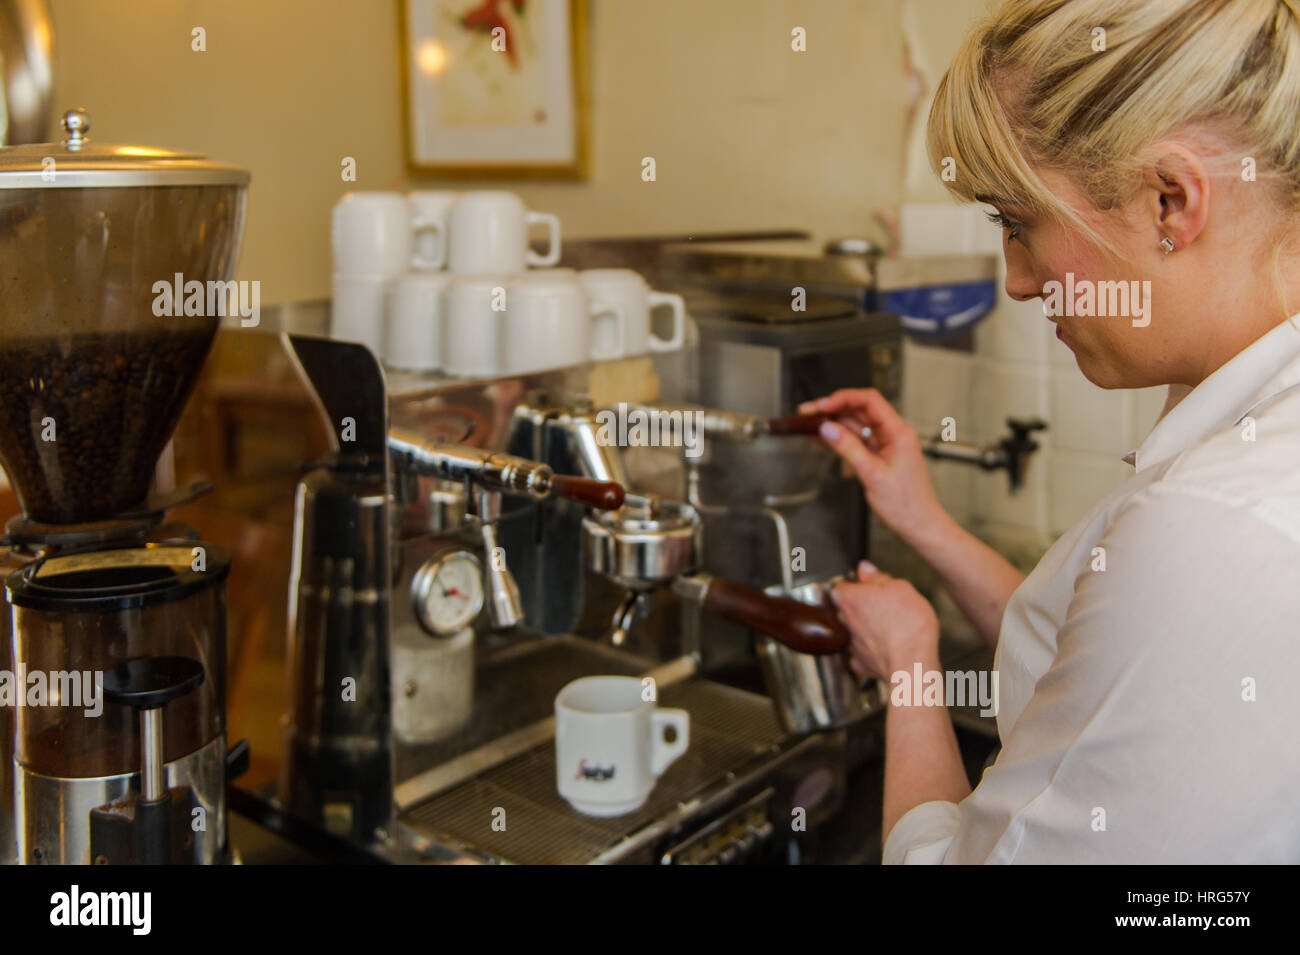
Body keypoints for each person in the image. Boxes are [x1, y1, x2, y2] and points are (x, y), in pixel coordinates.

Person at [808, 0, 1300, 863]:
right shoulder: (1251, 429)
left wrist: (911, 668)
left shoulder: (1218, 528)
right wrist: (924, 520)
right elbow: (1103, 660)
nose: (1017, 281)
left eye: (1017, 224)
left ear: (1169, 202)